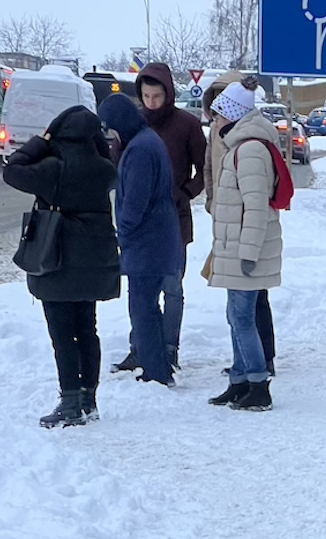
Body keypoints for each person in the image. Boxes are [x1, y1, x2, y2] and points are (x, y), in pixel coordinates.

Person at [2, 104, 120, 428]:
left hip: (57, 258)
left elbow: (12, 168)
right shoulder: (104, 169)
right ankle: (88, 400)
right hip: (94, 259)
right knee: (87, 329)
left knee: (63, 335)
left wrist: (42, 141)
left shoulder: (52, 168)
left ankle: (69, 404)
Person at [108, 61, 207, 375]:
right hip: (141, 221)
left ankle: (168, 349)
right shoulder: (133, 127)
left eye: (157, 96)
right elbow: (120, 167)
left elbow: (204, 168)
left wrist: (186, 193)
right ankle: (140, 348)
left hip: (174, 218)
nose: (151, 102)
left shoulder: (186, 125)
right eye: (146, 96)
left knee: (171, 287)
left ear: (168, 94)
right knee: (140, 289)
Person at [205, 81, 283, 413]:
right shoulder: (240, 145)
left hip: (244, 252)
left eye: (218, 115)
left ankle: (257, 384)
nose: (214, 121)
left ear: (232, 116)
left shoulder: (249, 150)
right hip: (234, 248)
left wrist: (248, 253)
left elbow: (256, 207)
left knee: (242, 318)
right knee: (235, 316)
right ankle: (239, 381)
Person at [97, 94, 183, 387]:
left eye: (110, 127)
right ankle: (159, 366)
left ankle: (155, 372)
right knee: (148, 306)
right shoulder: (147, 141)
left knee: (142, 307)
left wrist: (124, 231)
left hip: (148, 241)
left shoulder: (140, 150)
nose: (111, 134)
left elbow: (135, 200)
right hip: (156, 238)